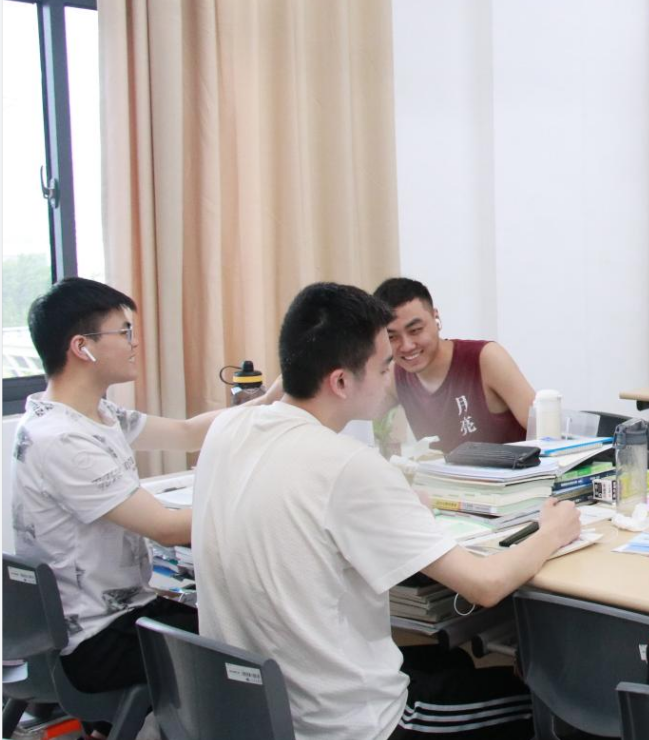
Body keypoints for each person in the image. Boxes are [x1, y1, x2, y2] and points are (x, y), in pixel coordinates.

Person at [192, 282, 580, 740]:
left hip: (251, 712)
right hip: (352, 724)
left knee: (450, 660)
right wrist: (551, 532)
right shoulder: (348, 467)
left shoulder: (228, 429)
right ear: (341, 381)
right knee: (545, 701)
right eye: (383, 366)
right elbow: (485, 585)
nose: (393, 374)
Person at [9, 278, 274, 727]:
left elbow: (188, 432)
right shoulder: (62, 439)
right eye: (124, 332)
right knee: (254, 638)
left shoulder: (91, 414)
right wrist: (268, 507)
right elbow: (165, 529)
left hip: (115, 617)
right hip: (97, 642)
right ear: (82, 347)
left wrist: (272, 399)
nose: (134, 343)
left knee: (235, 617)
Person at [373, 277, 534, 453]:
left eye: (415, 330)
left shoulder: (486, 358)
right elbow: (358, 415)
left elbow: (545, 429)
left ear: (435, 317)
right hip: (440, 471)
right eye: (391, 337)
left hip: (513, 470)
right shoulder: (394, 376)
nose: (407, 346)